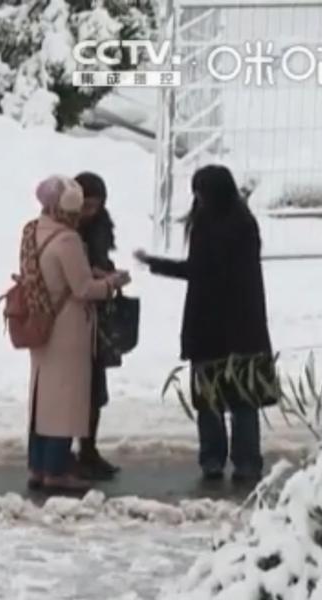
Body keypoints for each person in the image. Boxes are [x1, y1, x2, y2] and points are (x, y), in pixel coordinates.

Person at [135, 164, 275, 483]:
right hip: (243, 326)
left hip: (212, 325)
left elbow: (200, 271)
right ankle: (245, 462)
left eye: (201, 192)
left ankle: (216, 459)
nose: (197, 198)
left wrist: (156, 264)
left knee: (216, 399)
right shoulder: (241, 222)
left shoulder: (215, 225)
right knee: (242, 399)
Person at [25, 176, 131, 493]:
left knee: (42, 400)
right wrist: (114, 282)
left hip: (42, 321)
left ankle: (37, 465)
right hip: (69, 328)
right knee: (65, 401)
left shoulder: (34, 229)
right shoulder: (68, 240)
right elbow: (84, 289)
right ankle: (56, 470)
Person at [73, 171, 123, 480]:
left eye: (96, 205)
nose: (90, 212)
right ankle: (76, 450)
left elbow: (99, 260)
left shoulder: (101, 228)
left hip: (98, 316)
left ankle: (88, 448)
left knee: (95, 388)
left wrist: (108, 274)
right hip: (77, 318)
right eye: (86, 205)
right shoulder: (67, 231)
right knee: (77, 389)